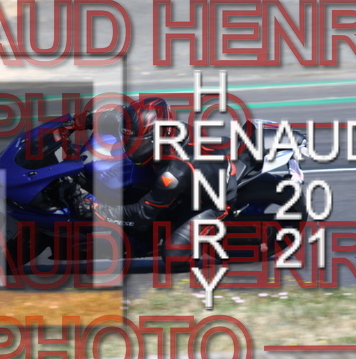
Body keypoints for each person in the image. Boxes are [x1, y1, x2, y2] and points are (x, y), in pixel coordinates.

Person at [67, 97, 237, 270]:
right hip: (191, 176)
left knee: (174, 257)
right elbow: (118, 118)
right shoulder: (158, 129)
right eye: (128, 140)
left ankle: (208, 237)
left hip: (213, 199)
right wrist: (82, 121)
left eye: (139, 143)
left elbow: (142, 214)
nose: (132, 148)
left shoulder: (174, 172)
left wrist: (97, 210)